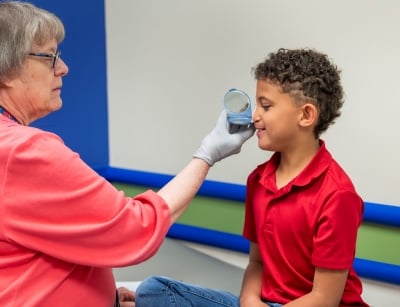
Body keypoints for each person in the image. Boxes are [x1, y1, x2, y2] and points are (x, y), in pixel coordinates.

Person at [0, 1, 254, 307]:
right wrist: (206, 155)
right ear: (7, 70)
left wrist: (100, 289)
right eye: (49, 57)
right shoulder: (23, 152)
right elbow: (137, 228)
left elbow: (36, 242)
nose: (63, 68)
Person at [135, 48, 370, 307]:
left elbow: (324, 298)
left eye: (265, 106)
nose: (255, 116)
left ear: (305, 115)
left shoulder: (337, 195)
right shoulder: (258, 181)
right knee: (153, 291)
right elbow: (257, 263)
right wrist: (248, 301)